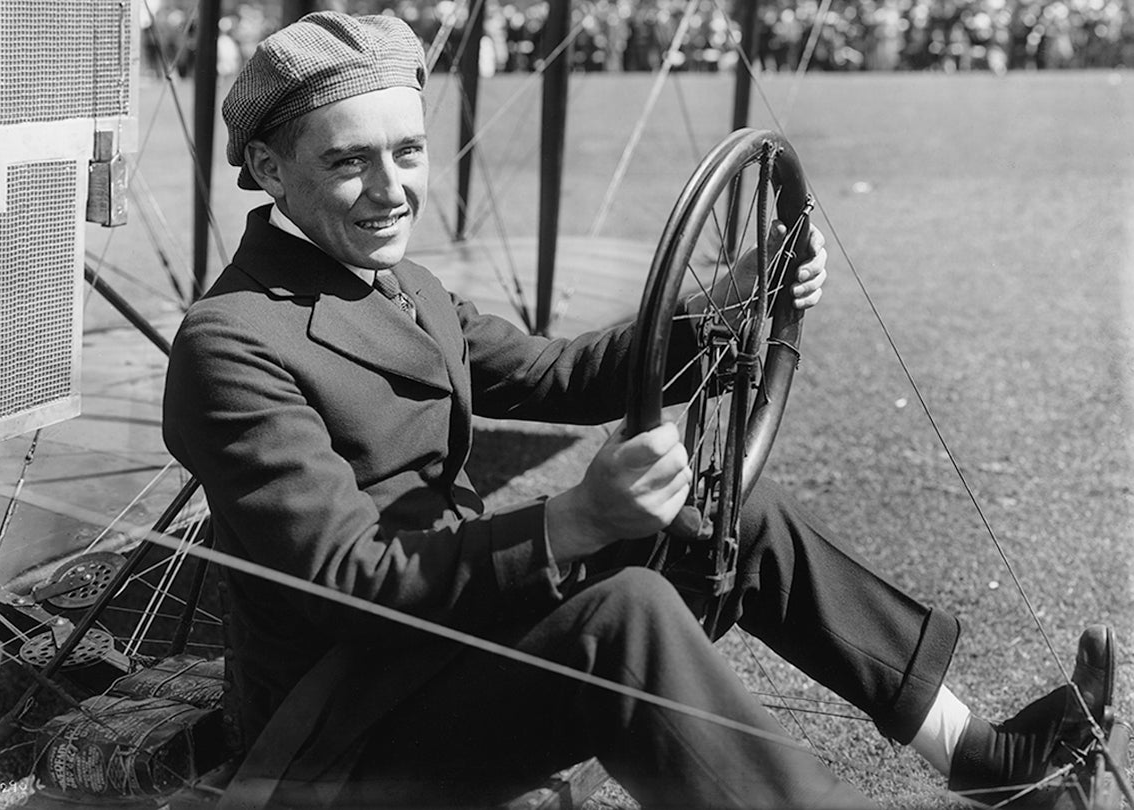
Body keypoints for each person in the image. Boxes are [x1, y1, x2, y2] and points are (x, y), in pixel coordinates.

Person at [162, 12, 1116, 809]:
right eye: (349, 163)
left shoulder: (399, 282)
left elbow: (557, 374)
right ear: (270, 167)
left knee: (729, 511)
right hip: (345, 726)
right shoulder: (232, 340)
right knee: (618, 618)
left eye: (408, 152)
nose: (391, 189)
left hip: (449, 638)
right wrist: (574, 522)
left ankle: (978, 757)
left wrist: (730, 300)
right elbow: (347, 581)